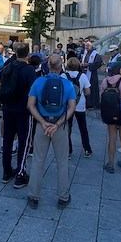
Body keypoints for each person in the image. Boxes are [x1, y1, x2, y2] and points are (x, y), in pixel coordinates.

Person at [27, 54, 76, 210]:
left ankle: (33, 197)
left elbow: (30, 105)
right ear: (61, 67)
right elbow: (72, 108)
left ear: (47, 66)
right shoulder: (67, 84)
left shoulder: (38, 82)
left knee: (38, 161)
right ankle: (63, 197)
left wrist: (43, 122)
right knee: (62, 162)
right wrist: (58, 124)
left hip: (42, 126)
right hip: (59, 127)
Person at [0, 42, 36, 189]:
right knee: (24, 142)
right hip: (24, 110)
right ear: (27, 55)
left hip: (8, 109)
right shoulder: (29, 70)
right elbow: (33, 90)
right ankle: (20, 174)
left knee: (7, 141)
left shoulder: (8, 66)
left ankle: (6, 171)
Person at [100, 61, 121, 172]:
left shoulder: (105, 81)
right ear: (119, 70)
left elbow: (102, 95)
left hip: (110, 112)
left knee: (112, 136)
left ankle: (111, 163)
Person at [62, 57, 93, 158]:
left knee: (68, 128)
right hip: (80, 105)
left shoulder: (63, 75)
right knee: (83, 128)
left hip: (67, 105)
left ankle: (68, 151)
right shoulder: (83, 76)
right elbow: (88, 92)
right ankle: (87, 149)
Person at [80, 41, 103, 109]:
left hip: (92, 74)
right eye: (86, 46)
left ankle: (92, 104)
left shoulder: (95, 54)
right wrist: (81, 64)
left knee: (92, 88)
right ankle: (86, 103)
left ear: (92, 46)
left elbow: (98, 63)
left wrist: (89, 65)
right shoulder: (85, 53)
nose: (87, 47)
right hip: (84, 72)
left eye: (88, 46)